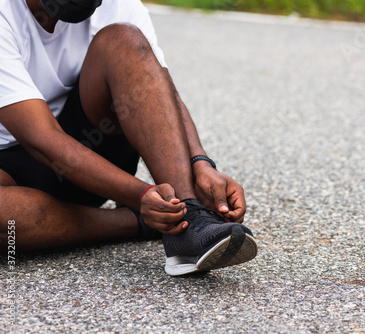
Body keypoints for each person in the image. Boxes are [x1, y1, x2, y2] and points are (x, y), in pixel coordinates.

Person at [0, 0, 257, 276]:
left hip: (93, 153)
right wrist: (141, 196)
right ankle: (141, 221)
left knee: (124, 40)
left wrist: (200, 164)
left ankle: (189, 218)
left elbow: (157, 88)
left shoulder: (118, 4)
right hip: (17, 162)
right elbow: (42, 140)